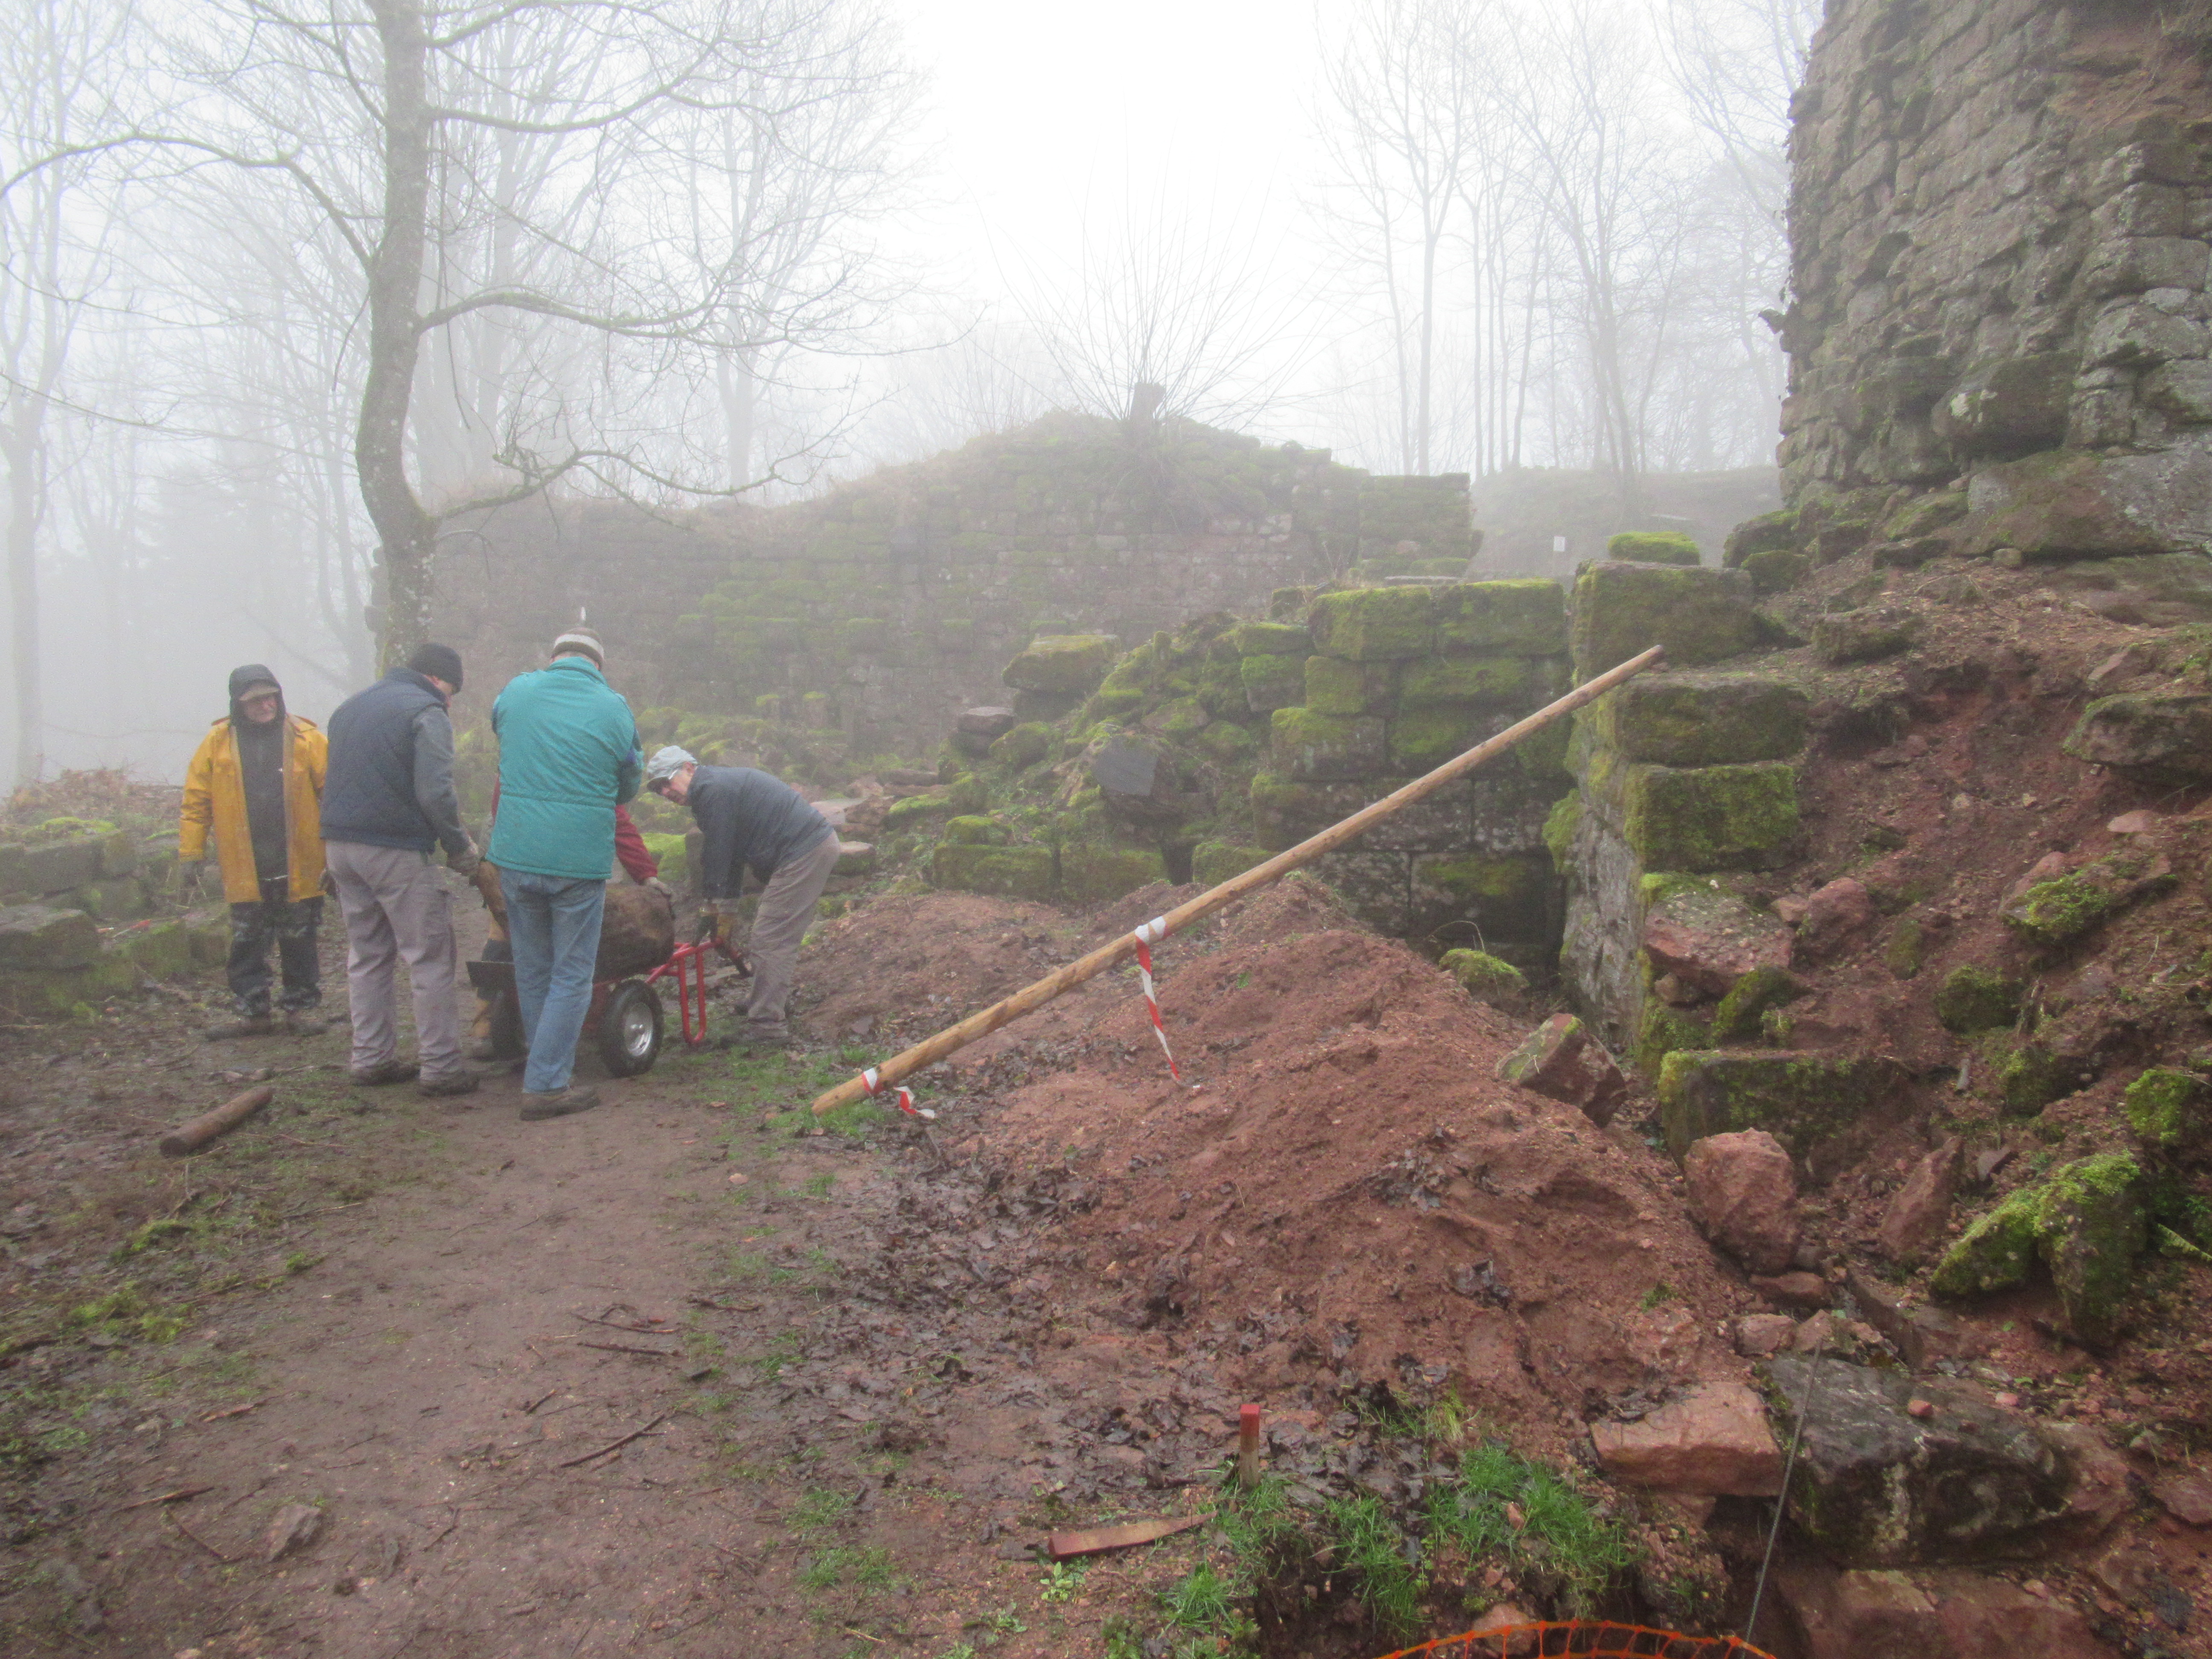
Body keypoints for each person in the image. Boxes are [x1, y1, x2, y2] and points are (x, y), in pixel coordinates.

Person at [487, 626, 643, 1120]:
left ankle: (546, 1068)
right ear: (598, 664)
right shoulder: (615, 709)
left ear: (554, 656)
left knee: (533, 967)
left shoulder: (515, 692)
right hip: (577, 860)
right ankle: (547, 1084)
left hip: (516, 853)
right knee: (572, 973)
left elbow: (501, 732)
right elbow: (628, 783)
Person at [320, 643, 482, 1097]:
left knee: (368, 954)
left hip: (339, 846)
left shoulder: (350, 708)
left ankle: (371, 1058)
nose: (450, 702)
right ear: (436, 680)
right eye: (451, 692)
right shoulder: (426, 712)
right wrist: (459, 847)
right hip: (393, 847)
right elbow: (435, 792)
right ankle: (442, 1067)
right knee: (428, 954)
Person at [643, 745, 838, 1050]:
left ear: (689, 768)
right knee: (771, 934)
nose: (666, 792)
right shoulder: (713, 789)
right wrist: (725, 908)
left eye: (668, 782)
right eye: (659, 790)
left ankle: (767, 1026)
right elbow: (731, 853)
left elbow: (719, 853)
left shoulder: (713, 791)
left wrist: (712, 907)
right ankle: (767, 999)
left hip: (804, 850)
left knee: (770, 938)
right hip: (800, 848)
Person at [178, 665, 330, 1038]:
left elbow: (334, 795)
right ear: (238, 704)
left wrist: (341, 850)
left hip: (301, 861)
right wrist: (191, 852)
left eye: (270, 697)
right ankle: (253, 1013)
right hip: (245, 864)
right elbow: (196, 802)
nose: (265, 705)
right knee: (247, 943)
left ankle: (300, 1010)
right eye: (255, 700)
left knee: (300, 940)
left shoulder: (308, 739)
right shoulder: (217, 743)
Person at [464, 790, 668, 1061]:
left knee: (551, 944)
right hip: (519, 857)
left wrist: (646, 874)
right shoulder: (527, 776)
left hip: (546, 865)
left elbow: (618, 822)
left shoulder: (583, 778)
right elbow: (501, 810)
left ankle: (567, 1021)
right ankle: (490, 1029)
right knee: (508, 941)